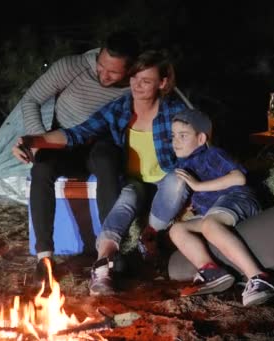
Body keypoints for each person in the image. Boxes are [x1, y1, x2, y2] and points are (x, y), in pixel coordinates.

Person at [15, 50, 191, 296]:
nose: (137, 86)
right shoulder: (120, 108)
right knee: (126, 200)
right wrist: (34, 140)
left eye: (146, 81)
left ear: (162, 83)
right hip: (133, 180)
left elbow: (198, 141)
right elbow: (79, 132)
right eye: (135, 79)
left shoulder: (174, 112)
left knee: (178, 181)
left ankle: (149, 236)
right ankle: (103, 265)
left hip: (164, 177)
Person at [12, 30, 140, 288]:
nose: (103, 75)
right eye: (101, 66)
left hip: (99, 145)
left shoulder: (137, 82)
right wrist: (39, 141)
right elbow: (32, 99)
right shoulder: (73, 66)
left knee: (107, 161)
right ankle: (44, 258)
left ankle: (109, 252)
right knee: (42, 168)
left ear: (129, 69)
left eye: (113, 72)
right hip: (63, 141)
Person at [168, 108, 274, 306]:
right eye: (173, 135)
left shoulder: (213, 154)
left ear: (201, 139)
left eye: (183, 136)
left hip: (237, 198)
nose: (176, 141)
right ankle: (210, 271)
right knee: (177, 229)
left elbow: (239, 177)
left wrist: (198, 186)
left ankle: (258, 278)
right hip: (214, 211)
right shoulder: (185, 164)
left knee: (210, 224)